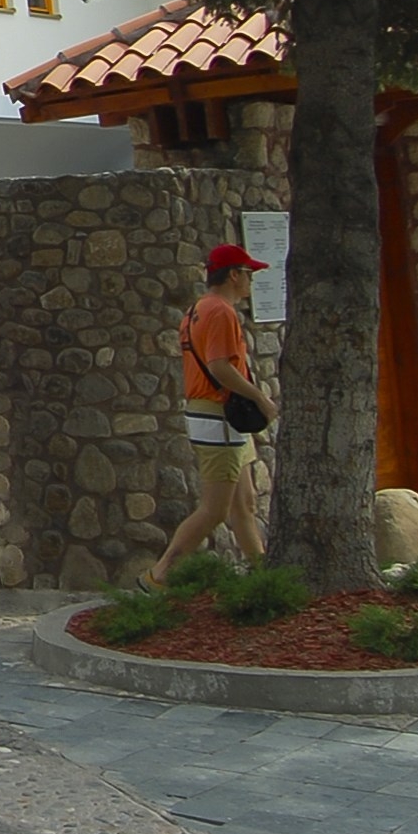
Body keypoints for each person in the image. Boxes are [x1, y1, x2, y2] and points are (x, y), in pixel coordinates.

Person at [145, 243, 278, 587]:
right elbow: (220, 366)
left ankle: (264, 576)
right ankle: (159, 575)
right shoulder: (221, 312)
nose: (251, 281)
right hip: (219, 417)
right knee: (215, 510)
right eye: (248, 274)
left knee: (243, 504)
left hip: (217, 419)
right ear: (233, 275)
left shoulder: (196, 310)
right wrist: (261, 398)